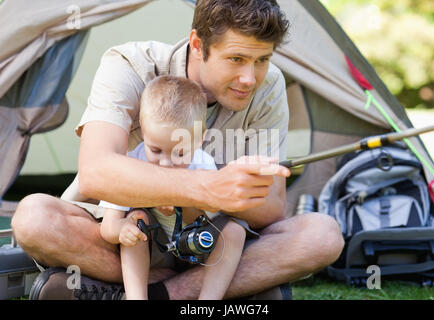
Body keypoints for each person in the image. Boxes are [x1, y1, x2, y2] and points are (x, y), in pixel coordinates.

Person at [12, 0, 344, 300]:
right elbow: (96, 172)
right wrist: (209, 189)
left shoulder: (268, 85)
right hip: (126, 234)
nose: (249, 77)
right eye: (237, 59)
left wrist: (214, 200)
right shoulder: (128, 64)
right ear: (198, 45)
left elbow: (272, 206)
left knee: (323, 235)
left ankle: (149, 293)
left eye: (261, 60)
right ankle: (229, 286)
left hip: (211, 241)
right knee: (33, 218)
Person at [99, 75, 247, 300]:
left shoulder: (203, 165)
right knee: (137, 217)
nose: (166, 163)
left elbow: (211, 222)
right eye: (155, 150)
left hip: (194, 247)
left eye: (180, 153)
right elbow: (108, 227)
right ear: (143, 133)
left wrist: (183, 200)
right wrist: (122, 229)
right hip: (155, 249)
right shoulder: (132, 164)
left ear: (199, 140)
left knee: (234, 231)